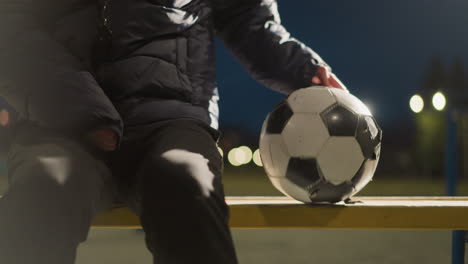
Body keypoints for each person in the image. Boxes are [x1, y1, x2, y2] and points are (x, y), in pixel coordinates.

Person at [0, 0, 345, 263]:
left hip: (172, 118)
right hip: (60, 120)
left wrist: (305, 71)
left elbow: (248, 19)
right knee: (45, 183)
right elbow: (10, 27)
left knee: (185, 179)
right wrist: (79, 109)